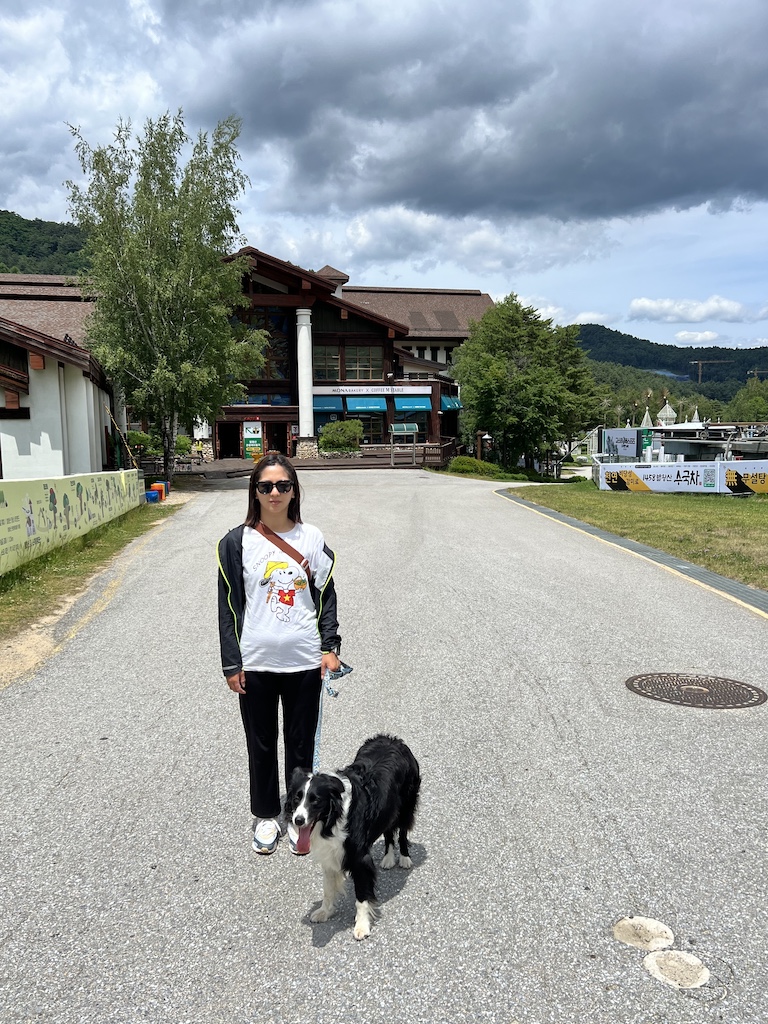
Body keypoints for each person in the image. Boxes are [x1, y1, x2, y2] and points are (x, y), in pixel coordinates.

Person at [217, 453, 342, 855]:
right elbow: (229, 607)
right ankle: (267, 815)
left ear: (294, 491)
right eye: (265, 486)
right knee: (261, 744)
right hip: (256, 663)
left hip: (305, 661)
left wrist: (330, 647)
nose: (274, 493)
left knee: (300, 744)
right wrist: (231, 662)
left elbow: (326, 596)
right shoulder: (235, 543)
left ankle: (295, 814)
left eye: (282, 486)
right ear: (254, 492)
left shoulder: (311, 538)